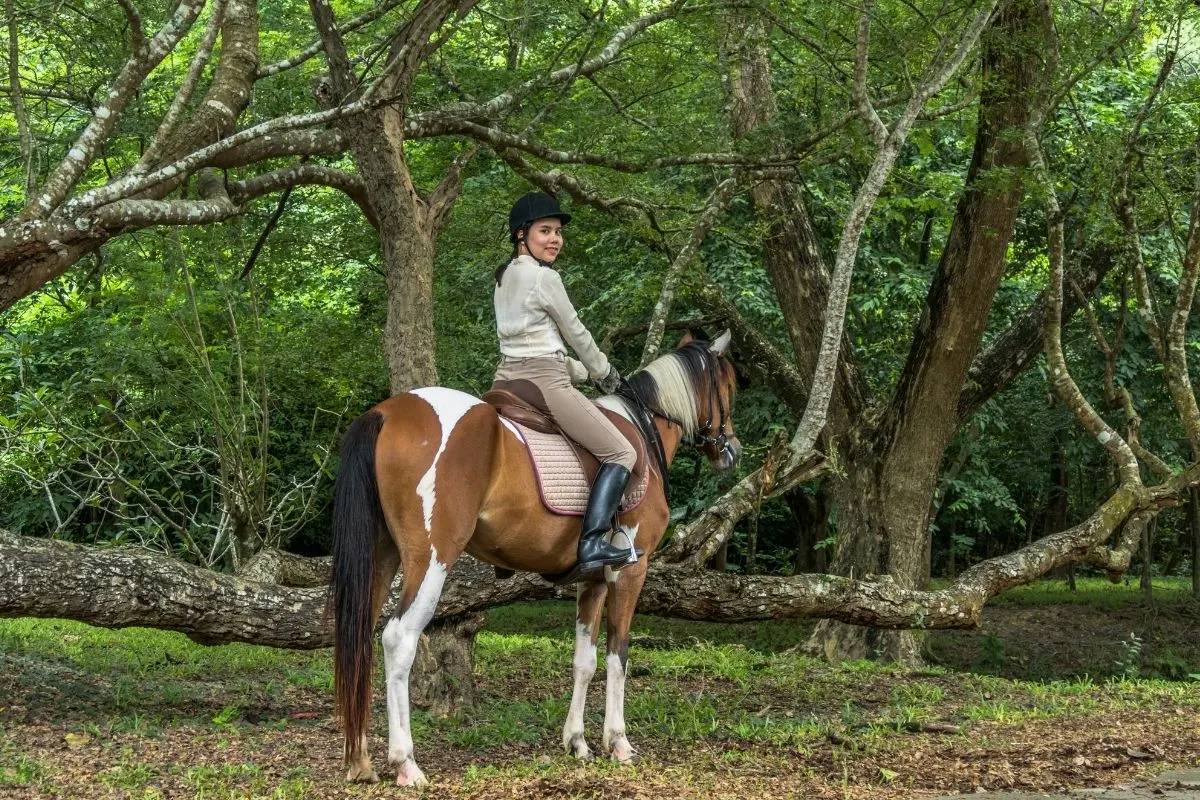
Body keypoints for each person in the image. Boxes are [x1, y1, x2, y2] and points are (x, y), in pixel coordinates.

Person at [492, 191, 641, 578]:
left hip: (507, 380)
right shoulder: (544, 278)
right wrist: (604, 372)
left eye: (558, 232)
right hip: (544, 384)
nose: (555, 239)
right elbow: (575, 332)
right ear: (521, 235)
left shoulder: (503, 276)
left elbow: (535, 344)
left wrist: (578, 372)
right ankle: (592, 543)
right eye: (545, 231)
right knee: (621, 453)